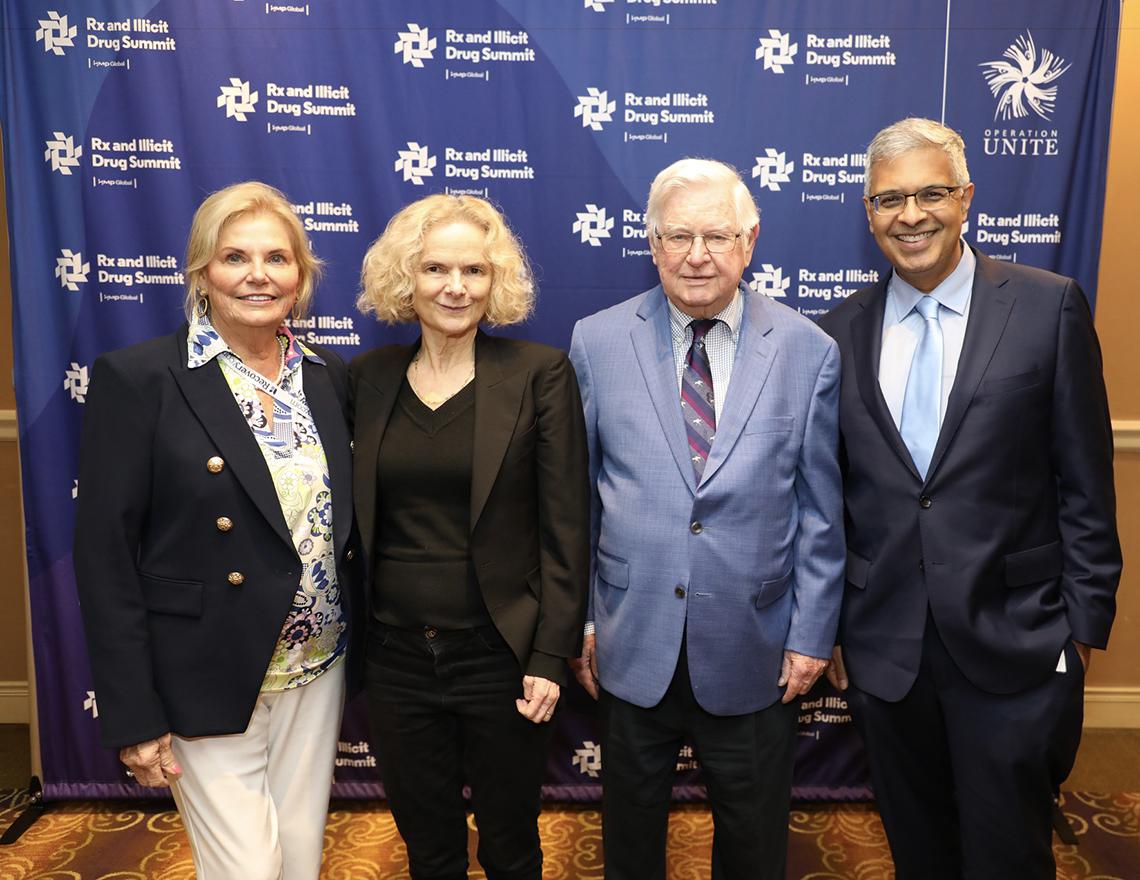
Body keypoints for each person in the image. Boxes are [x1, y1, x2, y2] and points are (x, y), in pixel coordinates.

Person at [818, 118, 1122, 879]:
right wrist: (831, 627)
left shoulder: (1047, 306)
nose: (910, 214)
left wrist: (1078, 634)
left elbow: (1086, 482)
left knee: (1009, 854)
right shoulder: (837, 331)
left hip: (1017, 640)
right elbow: (829, 498)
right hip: (886, 652)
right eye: (889, 198)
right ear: (867, 212)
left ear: (967, 198)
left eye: (931, 193)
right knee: (918, 850)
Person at [73, 181, 364, 880]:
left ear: (301, 274)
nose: (258, 275)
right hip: (203, 671)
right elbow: (105, 556)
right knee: (247, 870)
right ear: (201, 273)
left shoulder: (326, 378)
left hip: (315, 668)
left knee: (297, 861)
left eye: (277, 258)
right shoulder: (141, 378)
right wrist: (134, 713)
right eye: (235, 257)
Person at [568, 158, 845, 880]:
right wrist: (585, 623)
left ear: (750, 241)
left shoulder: (807, 350)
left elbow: (820, 511)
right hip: (631, 641)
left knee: (753, 842)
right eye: (679, 236)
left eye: (717, 236)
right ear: (652, 243)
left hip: (755, 643)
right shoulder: (595, 343)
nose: (697, 255)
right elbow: (578, 498)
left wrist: (812, 634)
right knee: (629, 840)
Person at [351, 194, 589, 880]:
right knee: (429, 848)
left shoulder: (538, 373)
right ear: (407, 278)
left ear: (497, 282)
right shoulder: (367, 380)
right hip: (395, 658)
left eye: (474, 272)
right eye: (435, 269)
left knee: (512, 845)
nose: (455, 287)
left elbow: (567, 525)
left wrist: (549, 654)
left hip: (501, 657)